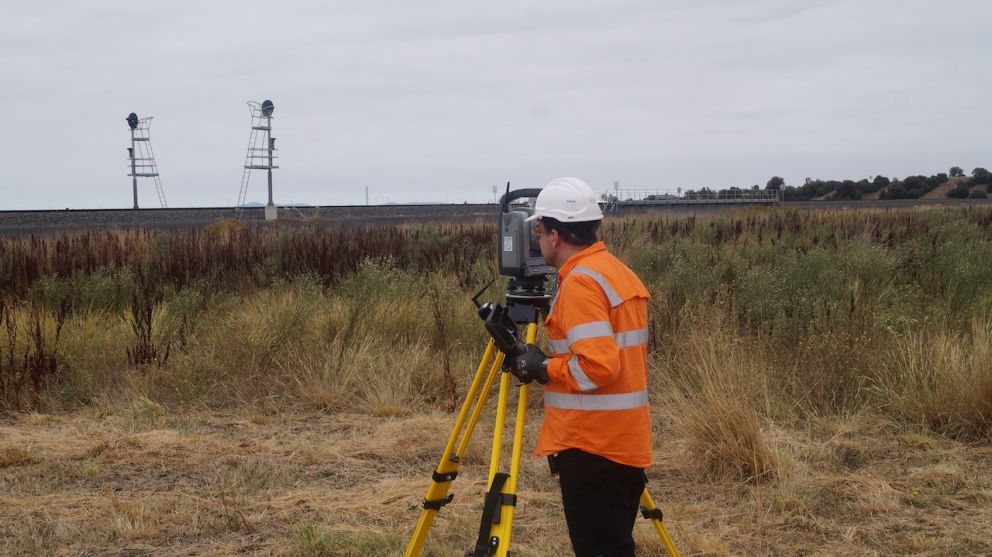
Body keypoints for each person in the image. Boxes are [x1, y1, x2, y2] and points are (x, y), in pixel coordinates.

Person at [510, 177, 653, 557]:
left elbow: (598, 366)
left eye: (540, 231)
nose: (539, 240)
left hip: (593, 447)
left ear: (554, 235)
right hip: (624, 440)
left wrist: (544, 368)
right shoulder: (614, 271)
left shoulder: (580, 284)